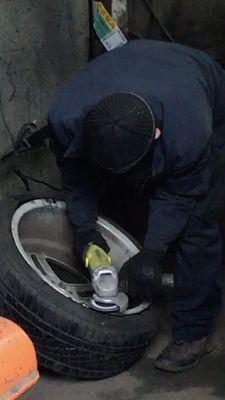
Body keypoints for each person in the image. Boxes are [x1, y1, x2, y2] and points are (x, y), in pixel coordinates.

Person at [48, 39, 225, 372]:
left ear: (156, 135)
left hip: (201, 81)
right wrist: (85, 228)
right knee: (118, 193)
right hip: (137, 68)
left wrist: (154, 252)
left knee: (196, 224)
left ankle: (194, 329)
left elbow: (180, 194)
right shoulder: (65, 117)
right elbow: (76, 176)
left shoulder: (190, 129)